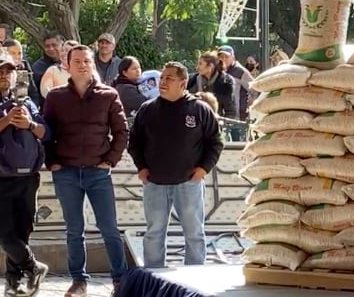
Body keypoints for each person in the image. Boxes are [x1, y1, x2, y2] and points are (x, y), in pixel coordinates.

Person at [42, 45, 129, 297]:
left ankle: (120, 280)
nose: (82, 65)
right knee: (74, 230)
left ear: (93, 64)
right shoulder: (56, 97)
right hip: (66, 171)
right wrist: (52, 161)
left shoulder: (108, 95)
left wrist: (110, 160)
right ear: (67, 65)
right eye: (77, 61)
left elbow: (122, 131)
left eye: (87, 61)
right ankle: (78, 281)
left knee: (109, 228)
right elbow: (46, 133)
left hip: (98, 171)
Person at [128, 62, 224, 268]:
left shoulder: (199, 109)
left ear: (183, 83)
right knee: (154, 232)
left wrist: (204, 168)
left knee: (194, 232)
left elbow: (215, 142)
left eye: (169, 79)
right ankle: (154, 275)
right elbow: (134, 141)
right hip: (155, 182)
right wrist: (141, 167)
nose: (162, 82)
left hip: (188, 182)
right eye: (162, 78)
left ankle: (194, 276)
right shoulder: (147, 109)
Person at [0, 55, 50, 296]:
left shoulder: (28, 101)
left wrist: (29, 124)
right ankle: (34, 267)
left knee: (21, 231)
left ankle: (15, 282)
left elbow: (45, 132)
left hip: (28, 177)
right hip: (1, 177)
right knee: (4, 233)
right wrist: (7, 119)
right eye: (0, 72)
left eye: (8, 71)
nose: (4, 76)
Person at [187, 52, 237, 122]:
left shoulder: (225, 82)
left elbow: (230, 110)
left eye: (200, 64)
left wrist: (224, 124)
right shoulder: (192, 80)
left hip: (215, 121)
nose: (197, 67)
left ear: (210, 66)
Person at [217, 46, 253, 140]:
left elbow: (254, 88)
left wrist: (250, 105)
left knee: (236, 143)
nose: (223, 59)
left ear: (233, 57)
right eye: (221, 57)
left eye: (226, 57)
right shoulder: (218, 72)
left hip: (238, 117)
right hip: (221, 117)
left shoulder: (240, 71)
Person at [32, 33, 62, 104]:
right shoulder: (37, 67)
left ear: (61, 45)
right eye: (47, 46)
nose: (51, 49)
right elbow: (34, 92)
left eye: (54, 45)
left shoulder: (70, 63)